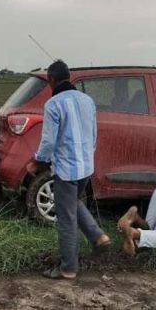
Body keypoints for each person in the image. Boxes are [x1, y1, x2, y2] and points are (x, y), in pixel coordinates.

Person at [26, 59, 111, 280]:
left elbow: (48, 142)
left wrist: (37, 161)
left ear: (51, 80)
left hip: (65, 170)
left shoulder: (53, 104)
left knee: (66, 219)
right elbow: (93, 135)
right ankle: (97, 235)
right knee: (73, 202)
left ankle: (68, 268)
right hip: (85, 167)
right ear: (69, 77)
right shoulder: (87, 100)